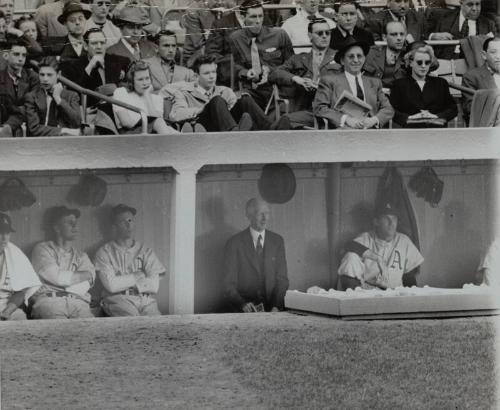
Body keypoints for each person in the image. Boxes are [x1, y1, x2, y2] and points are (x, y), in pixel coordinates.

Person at [166, 54, 271, 131]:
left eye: (214, 72)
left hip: (224, 127)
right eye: (207, 73)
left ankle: (272, 130)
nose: (212, 76)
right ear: (196, 76)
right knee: (216, 101)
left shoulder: (224, 91)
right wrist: (201, 109)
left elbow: (233, 112)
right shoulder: (184, 93)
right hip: (203, 126)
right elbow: (175, 115)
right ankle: (236, 133)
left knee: (245, 100)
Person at [94, 204, 166, 317]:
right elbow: (111, 286)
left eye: (130, 220)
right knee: (133, 325)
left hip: (146, 300)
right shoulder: (104, 252)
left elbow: (154, 286)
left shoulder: (146, 251)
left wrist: (122, 281)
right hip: (119, 299)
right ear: (114, 226)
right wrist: (138, 276)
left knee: (158, 327)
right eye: (123, 222)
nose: (128, 225)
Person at [270, 17, 341, 129]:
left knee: (285, 121)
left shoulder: (340, 58)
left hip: (328, 109)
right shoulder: (299, 58)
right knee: (285, 121)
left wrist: (320, 87)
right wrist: (297, 79)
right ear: (309, 36)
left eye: (328, 33)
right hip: (304, 107)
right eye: (319, 33)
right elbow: (275, 73)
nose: (324, 36)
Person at [338, 202, 424, 290]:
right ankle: (351, 300)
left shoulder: (403, 240)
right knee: (350, 257)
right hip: (367, 293)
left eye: (394, 219)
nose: (391, 223)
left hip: (394, 294)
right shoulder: (367, 238)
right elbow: (348, 245)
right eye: (386, 219)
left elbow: (409, 277)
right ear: (376, 222)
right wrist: (378, 258)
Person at [223, 198, 289, 312]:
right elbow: (228, 284)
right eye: (260, 213)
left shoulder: (277, 241)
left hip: (273, 310)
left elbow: (282, 279)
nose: (265, 218)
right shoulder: (234, 243)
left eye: (267, 213)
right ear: (248, 216)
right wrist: (242, 304)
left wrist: (276, 306)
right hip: (245, 311)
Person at [313, 37, 394, 129]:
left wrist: (374, 120)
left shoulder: (375, 83)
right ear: (342, 61)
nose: (356, 60)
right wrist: (345, 119)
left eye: (359, 56)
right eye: (351, 56)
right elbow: (319, 108)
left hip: (370, 132)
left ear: (364, 59)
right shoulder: (329, 81)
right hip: (343, 133)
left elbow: (388, 109)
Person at [30, 206, 95, 319]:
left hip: (78, 302)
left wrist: (68, 280)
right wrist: (81, 276)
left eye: (75, 222)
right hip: (50, 301)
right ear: (57, 228)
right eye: (69, 223)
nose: (75, 226)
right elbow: (59, 278)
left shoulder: (81, 255)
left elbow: (90, 277)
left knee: (93, 334)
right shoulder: (42, 249)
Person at [229, 0, 294, 110]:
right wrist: (246, 72)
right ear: (242, 17)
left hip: (277, 89)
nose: (258, 21)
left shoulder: (279, 35)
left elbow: (292, 64)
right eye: (253, 17)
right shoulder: (235, 38)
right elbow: (235, 66)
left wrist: (271, 72)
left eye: (261, 16)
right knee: (242, 101)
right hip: (252, 90)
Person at [390, 43, 457, 127]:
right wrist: (410, 117)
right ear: (410, 63)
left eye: (427, 62)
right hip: (410, 132)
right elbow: (391, 110)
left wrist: (436, 116)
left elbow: (453, 109)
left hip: (436, 131)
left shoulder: (441, 83)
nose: (423, 66)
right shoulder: (399, 84)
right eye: (419, 62)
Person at [112, 60, 179, 134]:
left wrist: (147, 96)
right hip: (130, 134)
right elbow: (126, 123)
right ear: (132, 81)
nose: (145, 83)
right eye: (140, 79)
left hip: (154, 135)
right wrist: (146, 120)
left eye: (147, 78)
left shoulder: (156, 98)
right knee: (164, 126)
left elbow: (158, 121)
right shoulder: (121, 92)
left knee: (170, 129)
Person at [25, 56, 81, 137]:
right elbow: (33, 129)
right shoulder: (31, 97)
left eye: (49, 75)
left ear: (58, 74)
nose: (45, 79)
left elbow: (77, 123)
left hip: (64, 142)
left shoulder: (71, 95)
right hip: (39, 142)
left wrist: (59, 100)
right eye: (42, 75)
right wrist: (62, 131)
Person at [0, 213, 41, 320]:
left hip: (5, 304)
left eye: (7, 233)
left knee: (19, 317)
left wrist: (7, 312)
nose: (4, 238)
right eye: (0, 232)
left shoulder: (15, 253)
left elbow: (21, 292)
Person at [105, 5, 157, 85]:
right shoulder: (111, 52)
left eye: (139, 27)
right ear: (121, 28)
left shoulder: (150, 47)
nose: (136, 32)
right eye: (131, 27)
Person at [427, 0, 496, 59]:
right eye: (470, 4)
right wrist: (433, 36)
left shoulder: (488, 24)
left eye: (477, 4)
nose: (474, 8)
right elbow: (422, 35)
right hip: (446, 64)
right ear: (461, 3)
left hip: (475, 66)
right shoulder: (442, 18)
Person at [60, 27, 109, 106]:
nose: (99, 47)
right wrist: (90, 67)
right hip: (89, 112)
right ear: (86, 46)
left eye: (102, 43)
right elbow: (75, 94)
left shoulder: (113, 62)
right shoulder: (72, 66)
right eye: (94, 43)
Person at [0, 40, 39, 138]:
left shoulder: (33, 77)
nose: (21, 59)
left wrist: (9, 124)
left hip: (27, 121)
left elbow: (31, 106)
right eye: (16, 54)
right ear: (6, 56)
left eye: (24, 55)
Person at [462, 36, 500, 122]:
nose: (498, 56)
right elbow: (470, 108)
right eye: (493, 52)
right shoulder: (472, 77)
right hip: (488, 126)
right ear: (484, 55)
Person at [363, 21, 408, 89]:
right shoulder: (371, 53)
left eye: (402, 34)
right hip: (375, 94)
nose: (399, 38)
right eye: (394, 34)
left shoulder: (409, 55)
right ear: (384, 37)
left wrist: (412, 44)